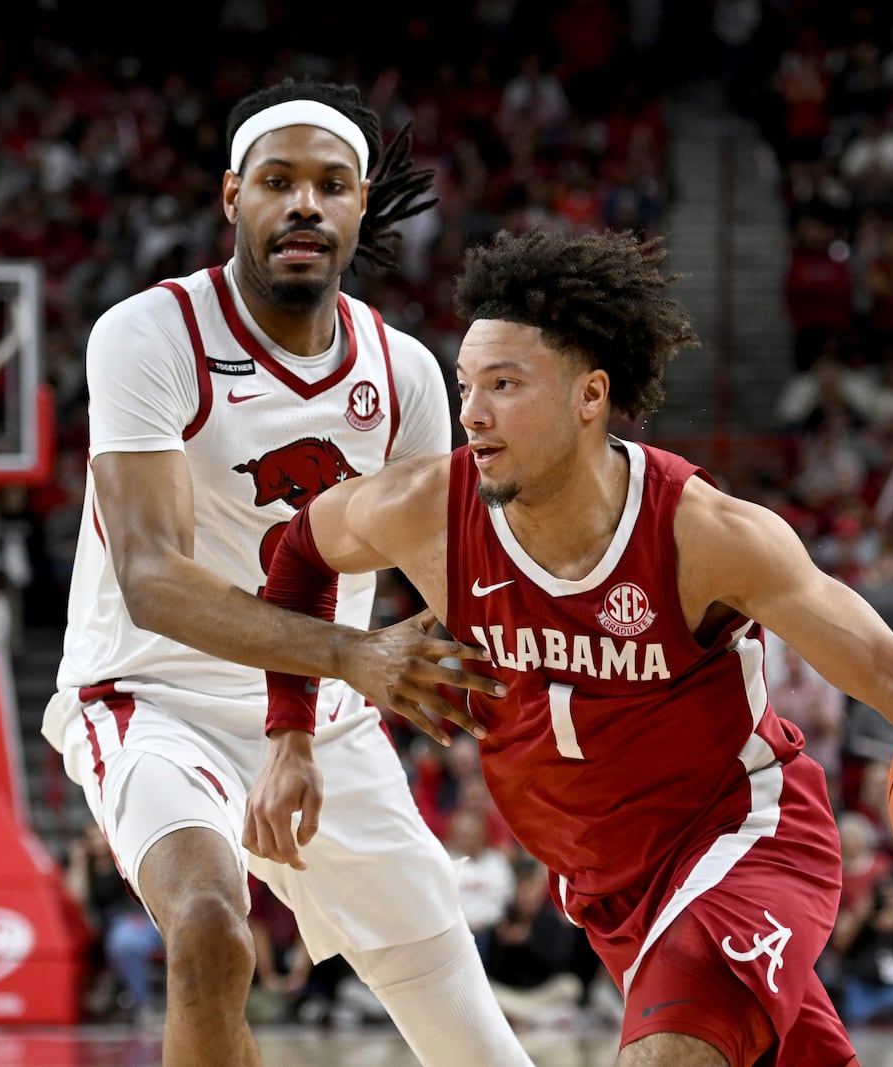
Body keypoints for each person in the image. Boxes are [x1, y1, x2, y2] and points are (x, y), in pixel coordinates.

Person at [252, 228, 893, 1065]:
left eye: (506, 385)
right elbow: (297, 558)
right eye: (465, 383)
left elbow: (888, 666)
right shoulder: (423, 511)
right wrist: (296, 726)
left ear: (590, 395)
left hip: (742, 838)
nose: (472, 413)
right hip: (605, 887)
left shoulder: (707, 534)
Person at [40, 79, 532, 1067]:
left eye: (329, 184)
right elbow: (151, 578)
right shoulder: (151, 333)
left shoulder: (403, 372)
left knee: (480, 1046)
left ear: (357, 208)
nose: (303, 203)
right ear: (233, 197)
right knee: (212, 933)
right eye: (278, 180)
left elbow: (462, 584)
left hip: (326, 718)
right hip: (151, 695)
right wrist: (354, 654)